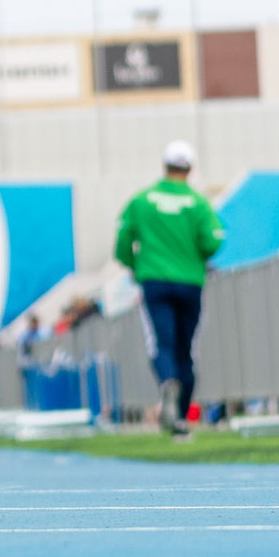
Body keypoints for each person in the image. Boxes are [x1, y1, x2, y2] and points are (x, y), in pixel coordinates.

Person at [113, 141, 224, 438]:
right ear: (190, 168)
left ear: (165, 165)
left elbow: (122, 242)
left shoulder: (141, 201)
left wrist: (135, 266)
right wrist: (193, 255)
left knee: (161, 344)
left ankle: (167, 382)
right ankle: (182, 419)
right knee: (187, 348)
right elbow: (213, 242)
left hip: (154, 280)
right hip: (190, 281)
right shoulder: (198, 203)